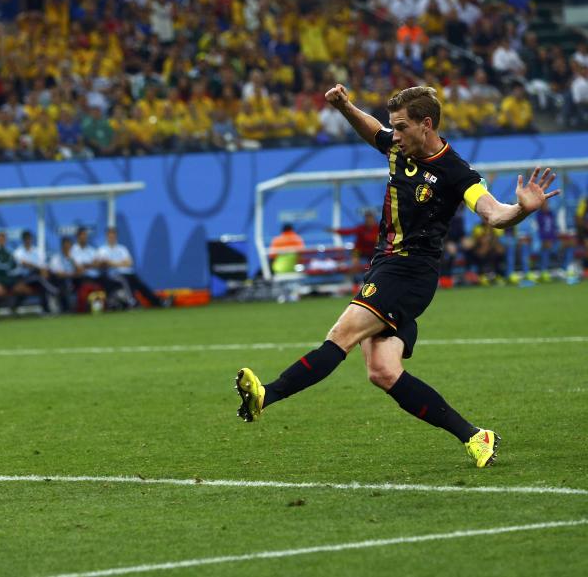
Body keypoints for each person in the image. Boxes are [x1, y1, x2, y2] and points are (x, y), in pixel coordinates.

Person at [235, 85, 559, 468]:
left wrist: (522, 210)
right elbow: (373, 130)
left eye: (402, 127)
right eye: (394, 126)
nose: (395, 135)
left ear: (426, 124)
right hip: (386, 266)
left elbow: (493, 215)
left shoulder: (456, 172)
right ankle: (475, 436)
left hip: (410, 271)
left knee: (342, 336)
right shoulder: (397, 146)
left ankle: (266, 396)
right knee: (383, 372)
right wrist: (345, 106)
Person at [97, 226, 164, 308]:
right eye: (110, 235)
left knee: (141, 285)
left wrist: (113, 263)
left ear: (116, 235)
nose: (112, 237)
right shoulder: (102, 250)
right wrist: (121, 263)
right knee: (124, 280)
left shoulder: (122, 248)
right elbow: (104, 264)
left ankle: (157, 302)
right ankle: (131, 302)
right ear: (106, 236)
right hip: (113, 274)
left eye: (113, 235)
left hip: (128, 272)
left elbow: (129, 263)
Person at [0, 231, 33, 312]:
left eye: (3, 239)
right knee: (0, 291)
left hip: (10, 278)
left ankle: (15, 307)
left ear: (5, 240)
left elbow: (14, 265)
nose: (1, 240)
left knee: (22, 289)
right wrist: (8, 268)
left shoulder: (10, 252)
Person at [13, 230, 58, 313]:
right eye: (26, 239)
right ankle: (55, 292)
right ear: (23, 240)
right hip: (24, 278)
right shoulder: (18, 252)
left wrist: (39, 269)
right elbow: (24, 264)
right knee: (39, 278)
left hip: (38, 276)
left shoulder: (38, 251)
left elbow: (42, 265)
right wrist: (37, 267)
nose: (28, 241)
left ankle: (46, 310)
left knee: (42, 281)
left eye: (29, 239)